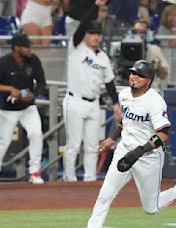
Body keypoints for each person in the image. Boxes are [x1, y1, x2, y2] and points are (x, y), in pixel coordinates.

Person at [87, 60, 176, 228]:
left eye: (140, 75)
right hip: (124, 150)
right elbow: (124, 121)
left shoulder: (155, 101)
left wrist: (139, 152)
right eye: (133, 73)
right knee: (105, 194)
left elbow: (163, 134)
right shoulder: (124, 95)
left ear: (149, 80)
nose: (134, 77)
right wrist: (112, 138)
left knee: (151, 208)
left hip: (148, 157)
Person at [63, 0, 121, 182]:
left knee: (91, 145)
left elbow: (110, 82)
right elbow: (81, 26)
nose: (96, 37)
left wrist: (116, 104)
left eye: (98, 34)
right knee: (73, 144)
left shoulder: (103, 57)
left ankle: (89, 179)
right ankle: (69, 179)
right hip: (75, 101)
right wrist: (96, 6)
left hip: (94, 104)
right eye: (92, 33)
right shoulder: (76, 47)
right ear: (86, 35)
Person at [0, 33, 46, 184]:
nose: (29, 49)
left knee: (36, 134)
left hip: (27, 107)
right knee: (2, 143)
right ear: (16, 48)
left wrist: (30, 94)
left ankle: (35, 172)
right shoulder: (3, 63)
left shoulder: (33, 60)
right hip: (7, 109)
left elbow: (41, 83)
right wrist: (10, 89)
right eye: (26, 47)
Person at [132, 21, 170, 93]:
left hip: (151, 91)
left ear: (148, 34)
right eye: (136, 32)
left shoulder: (155, 50)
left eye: (142, 32)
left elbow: (163, 76)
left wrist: (157, 65)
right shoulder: (125, 49)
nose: (139, 35)